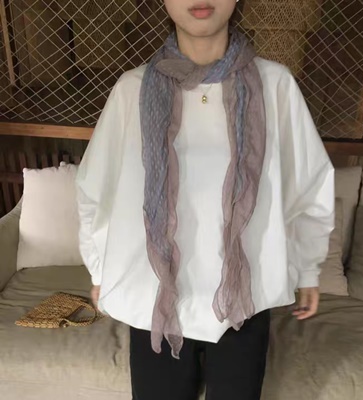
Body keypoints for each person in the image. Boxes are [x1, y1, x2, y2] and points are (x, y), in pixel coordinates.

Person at [76, 1, 334, 399]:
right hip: (153, 296)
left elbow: (309, 181)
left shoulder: (275, 85)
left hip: (245, 299)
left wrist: (309, 268)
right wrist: (99, 269)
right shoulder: (132, 89)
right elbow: (96, 188)